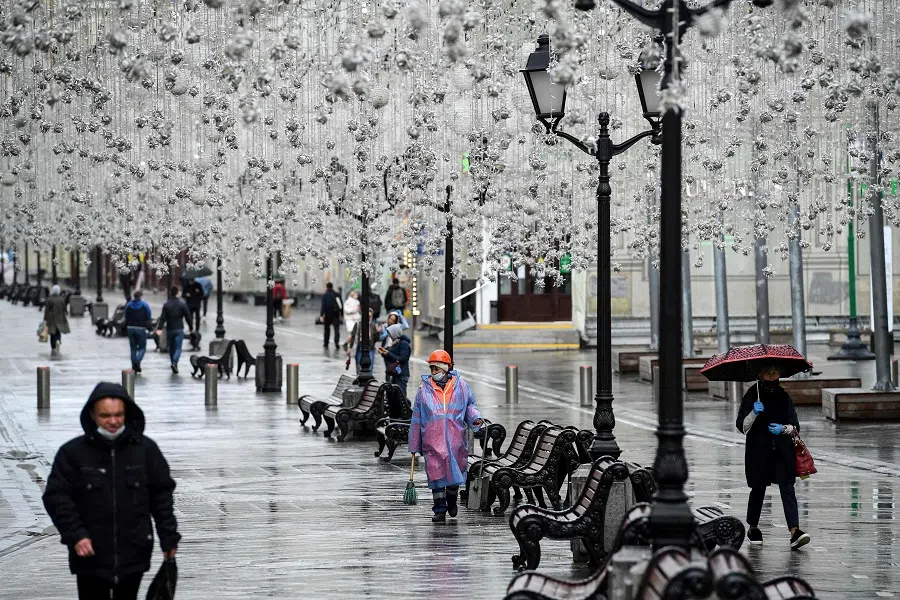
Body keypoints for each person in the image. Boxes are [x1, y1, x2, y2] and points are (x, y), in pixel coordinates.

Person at [42, 382, 180, 600]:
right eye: (106, 415)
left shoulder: (146, 450)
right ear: (93, 415)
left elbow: (162, 496)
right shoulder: (72, 453)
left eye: (119, 415)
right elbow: (57, 497)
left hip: (134, 553)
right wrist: (76, 535)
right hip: (89, 556)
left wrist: (168, 537)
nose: (113, 422)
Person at [736, 363, 811, 550]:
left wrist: (783, 429)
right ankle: (753, 527)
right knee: (758, 489)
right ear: (760, 374)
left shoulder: (784, 396)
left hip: (782, 451)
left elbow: (795, 426)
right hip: (759, 452)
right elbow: (742, 426)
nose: (771, 376)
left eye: (775, 372)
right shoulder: (753, 395)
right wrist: (753, 413)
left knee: (787, 487)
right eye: (768, 373)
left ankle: (795, 531)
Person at [408, 350, 484, 522]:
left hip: (455, 438)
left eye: (436, 368)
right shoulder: (423, 391)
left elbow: (470, 405)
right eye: (431, 368)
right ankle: (439, 509)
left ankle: (451, 500)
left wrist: (476, 419)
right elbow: (417, 418)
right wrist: (414, 443)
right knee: (436, 475)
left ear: (445, 367)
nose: (433, 372)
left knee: (454, 473)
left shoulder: (461, 386)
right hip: (432, 440)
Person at [156, 286, 193, 374]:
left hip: (170, 329)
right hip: (179, 328)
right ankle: (175, 362)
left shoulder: (167, 304)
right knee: (178, 348)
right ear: (177, 293)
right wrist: (191, 328)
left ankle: (172, 361)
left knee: (171, 347)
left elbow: (162, 318)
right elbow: (188, 316)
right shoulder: (182, 304)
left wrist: (159, 328)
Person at [378, 323, 411, 400]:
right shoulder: (396, 343)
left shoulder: (404, 344)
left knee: (401, 397)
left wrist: (388, 353)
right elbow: (392, 357)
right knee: (395, 396)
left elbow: (402, 359)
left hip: (402, 374)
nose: (389, 336)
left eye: (390, 334)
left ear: (395, 333)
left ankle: (403, 411)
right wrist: (385, 353)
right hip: (396, 373)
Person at [124, 290, 152, 373]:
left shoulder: (129, 305)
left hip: (130, 328)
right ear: (141, 296)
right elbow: (148, 315)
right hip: (141, 328)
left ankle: (134, 365)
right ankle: (137, 361)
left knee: (133, 348)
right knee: (142, 348)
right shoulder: (144, 304)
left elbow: (126, 315)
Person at [347, 308, 379, 373]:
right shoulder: (358, 324)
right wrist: (350, 348)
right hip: (360, 348)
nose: (368, 318)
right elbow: (353, 336)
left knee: (370, 367)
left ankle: (368, 381)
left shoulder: (373, 326)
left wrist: (377, 333)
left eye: (370, 316)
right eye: (367, 316)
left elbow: (376, 339)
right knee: (359, 367)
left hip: (370, 348)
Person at [44, 284, 70, 357]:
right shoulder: (61, 299)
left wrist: (45, 319)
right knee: (58, 332)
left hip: (51, 318)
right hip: (60, 317)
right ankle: (58, 341)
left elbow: (47, 310)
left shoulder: (50, 299)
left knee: (52, 333)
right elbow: (64, 309)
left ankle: (53, 347)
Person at [320, 282, 342, 349]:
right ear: (332, 287)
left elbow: (323, 306)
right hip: (335, 314)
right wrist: (342, 314)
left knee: (327, 329)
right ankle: (336, 343)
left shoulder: (325, 295)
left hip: (327, 314)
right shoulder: (337, 294)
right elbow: (341, 305)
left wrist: (321, 314)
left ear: (327, 287)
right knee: (336, 329)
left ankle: (326, 343)